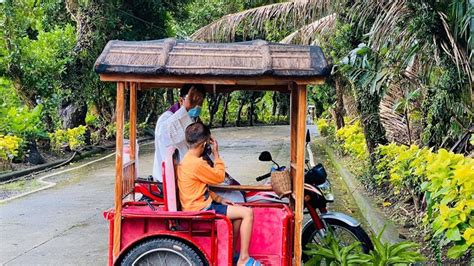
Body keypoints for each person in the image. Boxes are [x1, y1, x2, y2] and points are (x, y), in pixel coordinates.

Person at [178, 122, 261, 266]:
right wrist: (216, 154)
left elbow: (200, 188)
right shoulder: (197, 164)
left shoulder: (186, 160)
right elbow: (219, 177)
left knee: (238, 217)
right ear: (204, 144)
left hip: (199, 205)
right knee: (247, 213)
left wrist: (220, 199)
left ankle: (229, 254)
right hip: (201, 209)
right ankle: (244, 258)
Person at [152, 84, 205, 182]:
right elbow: (164, 135)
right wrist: (186, 108)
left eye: (200, 102)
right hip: (170, 179)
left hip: (191, 173)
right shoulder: (166, 118)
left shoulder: (195, 120)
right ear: (181, 100)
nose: (196, 105)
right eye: (193, 100)